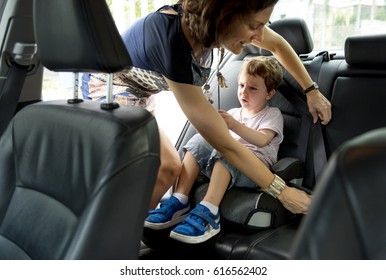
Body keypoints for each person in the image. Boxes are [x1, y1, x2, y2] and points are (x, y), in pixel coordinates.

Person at [82, 0, 331, 214]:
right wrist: (283, 192)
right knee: (167, 167)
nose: (259, 36)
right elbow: (224, 144)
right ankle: (118, 246)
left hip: (141, 94)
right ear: (225, 14)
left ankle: (128, 235)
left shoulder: (211, 27)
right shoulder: (173, 41)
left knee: (154, 169)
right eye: (255, 26)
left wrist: (311, 91)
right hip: (108, 87)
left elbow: (277, 45)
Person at [145, 57, 284, 243]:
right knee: (199, 140)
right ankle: (179, 199)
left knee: (228, 152)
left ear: (269, 93)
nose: (244, 92)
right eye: (241, 85)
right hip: (226, 160)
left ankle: (209, 212)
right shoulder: (234, 112)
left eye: (252, 88)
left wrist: (233, 126)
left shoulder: (272, 114)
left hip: (254, 169)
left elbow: (261, 139)